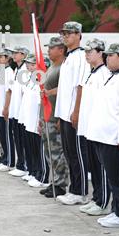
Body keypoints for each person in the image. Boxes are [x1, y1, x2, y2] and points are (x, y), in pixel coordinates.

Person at [90, 43, 119, 228]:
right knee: (111, 176)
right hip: (102, 135)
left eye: (111, 55)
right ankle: (116, 209)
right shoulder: (111, 77)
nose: (107, 58)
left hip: (114, 136)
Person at [54, 21, 90, 205]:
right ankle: (74, 189)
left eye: (69, 33)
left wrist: (76, 112)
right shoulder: (69, 57)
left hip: (74, 114)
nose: (66, 36)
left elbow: (81, 86)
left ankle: (81, 191)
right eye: (64, 33)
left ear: (78, 35)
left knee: (78, 153)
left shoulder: (82, 56)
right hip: (65, 114)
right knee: (69, 153)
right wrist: (61, 115)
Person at [78, 38, 111, 215]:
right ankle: (97, 197)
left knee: (101, 166)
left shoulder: (105, 74)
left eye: (91, 51)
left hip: (98, 128)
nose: (87, 54)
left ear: (100, 53)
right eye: (86, 51)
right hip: (88, 128)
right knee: (94, 166)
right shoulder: (92, 73)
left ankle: (103, 201)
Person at [40, 37, 69, 198]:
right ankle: (54, 181)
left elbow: (64, 90)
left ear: (61, 49)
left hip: (55, 116)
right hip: (46, 116)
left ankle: (60, 184)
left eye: (52, 48)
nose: (49, 50)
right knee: (49, 151)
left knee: (57, 151)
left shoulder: (63, 68)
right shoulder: (52, 67)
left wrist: (59, 118)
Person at [19, 53, 48, 188]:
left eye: (32, 63)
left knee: (38, 149)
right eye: (28, 63)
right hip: (28, 121)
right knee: (31, 148)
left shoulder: (42, 80)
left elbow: (41, 102)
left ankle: (42, 175)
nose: (28, 66)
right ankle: (34, 171)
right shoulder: (31, 79)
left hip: (36, 121)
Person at [3, 46, 30, 177]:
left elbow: (25, 94)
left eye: (16, 53)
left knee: (23, 140)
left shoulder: (25, 70)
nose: (13, 55)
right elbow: (11, 91)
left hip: (21, 112)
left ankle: (24, 165)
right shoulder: (16, 70)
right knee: (17, 139)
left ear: (23, 55)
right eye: (13, 53)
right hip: (15, 111)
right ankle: (20, 164)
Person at [0, 47, 16, 172]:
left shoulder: (9, 72)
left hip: (3, 110)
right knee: (2, 137)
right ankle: (5, 158)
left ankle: (10, 161)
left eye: (2, 57)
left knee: (7, 137)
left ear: (7, 59)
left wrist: (6, 108)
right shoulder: (1, 71)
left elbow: (9, 92)